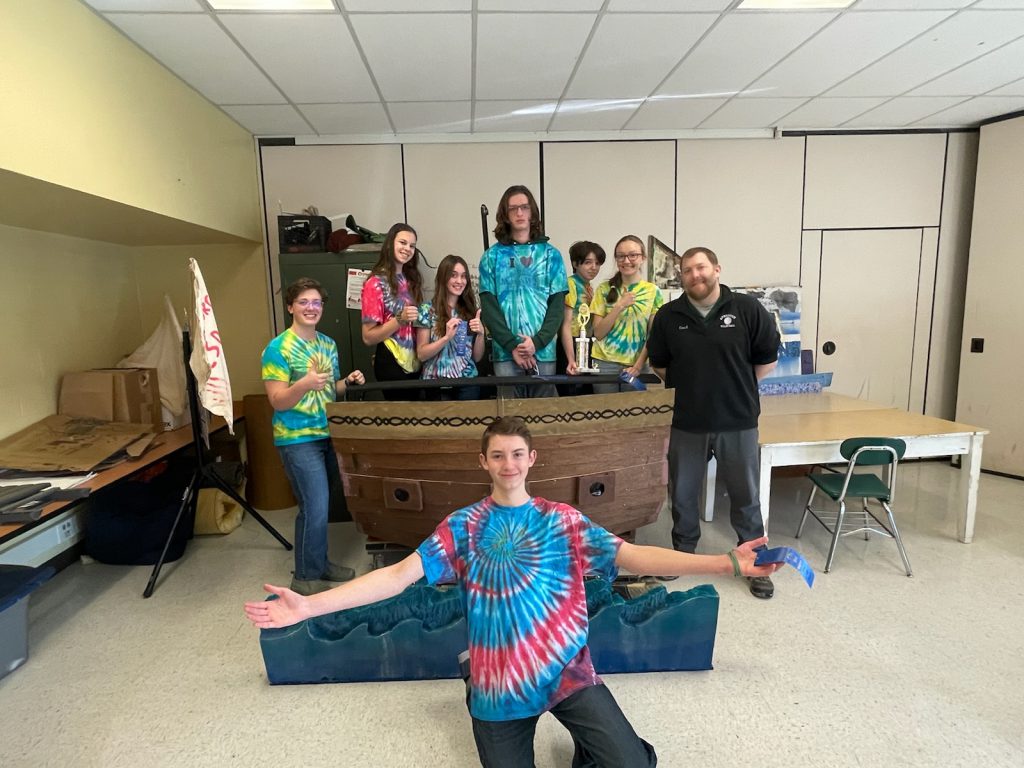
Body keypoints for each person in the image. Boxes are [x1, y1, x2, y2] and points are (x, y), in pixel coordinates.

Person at [245, 416, 782, 766]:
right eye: (498, 455)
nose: (508, 464)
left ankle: (589, 750)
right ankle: (469, 667)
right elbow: (397, 576)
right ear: (484, 463)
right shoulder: (463, 527)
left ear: (532, 460)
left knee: (633, 764)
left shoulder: (563, 520)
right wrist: (310, 605)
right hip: (498, 685)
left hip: (567, 673)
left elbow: (631, 556)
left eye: (517, 454)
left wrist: (725, 563)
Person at [646, 247, 781, 599]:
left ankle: (756, 563)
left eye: (701, 267)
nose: (695, 275)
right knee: (684, 494)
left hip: (738, 421)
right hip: (687, 422)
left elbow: (765, 361)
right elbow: (661, 367)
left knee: (746, 497)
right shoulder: (668, 316)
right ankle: (682, 556)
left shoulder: (748, 310)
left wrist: (733, 386)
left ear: (717, 269)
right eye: (687, 270)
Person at [261, 277, 365, 596]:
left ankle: (319, 563)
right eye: (304, 302)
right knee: (315, 507)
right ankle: (305, 578)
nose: (311, 307)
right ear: (291, 307)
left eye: (316, 302)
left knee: (320, 505)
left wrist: (347, 381)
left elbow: (328, 391)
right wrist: (303, 384)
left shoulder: (328, 345)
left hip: (327, 434)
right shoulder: (277, 349)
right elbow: (277, 400)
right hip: (297, 439)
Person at [479, 185, 567, 399]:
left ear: (532, 212)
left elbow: (557, 309)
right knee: (509, 420)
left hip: (543, 353)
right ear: (505, 215)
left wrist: (535, 343)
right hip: (505, 353)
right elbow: (489, 309)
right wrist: (513, 345)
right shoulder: (491, 257)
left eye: (524, 207)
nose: (519, 213)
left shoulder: (551, 256)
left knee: (544, 417)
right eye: (513, 209)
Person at [589, 236, 664, 394]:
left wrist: (638, 365)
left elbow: (653, 335)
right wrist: (619, 306)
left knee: (633, 414)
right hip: (604, 362)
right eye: (621, 256)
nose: (626, 260)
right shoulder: (604, 289)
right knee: (603, 413)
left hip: (636, 365)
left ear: (643, 258)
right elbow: (598, 333)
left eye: (633, 255)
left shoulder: (653, 292)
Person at [361, 223, 424, 401]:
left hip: (414, 361)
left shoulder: (410, 279)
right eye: (402, 243)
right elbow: (368, 337)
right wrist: (399, 320)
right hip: (391, 362)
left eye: (412, 246)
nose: (407, 249)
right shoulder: (375, 283)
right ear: (390, 244)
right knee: (402, 421)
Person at [415, 254, 486, 401]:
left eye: (463, 276)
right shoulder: (426, 309)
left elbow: (477, 357)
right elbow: (421, 354)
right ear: (443, 278)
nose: (459, 281)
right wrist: (446, 338)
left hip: (467, 383)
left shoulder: (470, 311)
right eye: (454, 276)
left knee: (468, 423)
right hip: (435, 382)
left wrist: (480, 334)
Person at [559, 240, 605, 379]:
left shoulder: (589, 287)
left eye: (597, 263)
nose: (594, 267)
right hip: (572, 343)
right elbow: (565, 325)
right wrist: (571, 359)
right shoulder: (571, 284)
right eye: (588, 262)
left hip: (586, 342)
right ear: (575, 264)